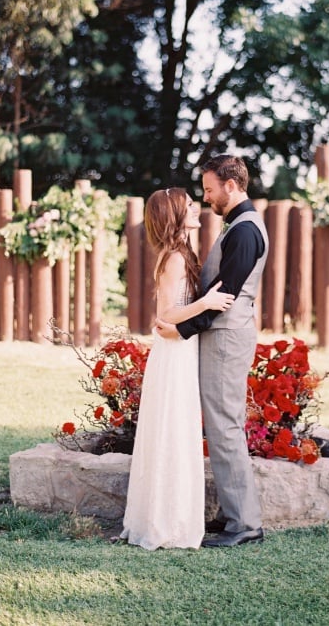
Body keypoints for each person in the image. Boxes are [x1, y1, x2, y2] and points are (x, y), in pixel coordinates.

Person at [156, 155, 269, 547]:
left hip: (225, 338)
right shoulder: (238, 225)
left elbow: (224, 296)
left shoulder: (244, 231)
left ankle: (245, 524)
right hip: (222, 336)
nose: (206, 199)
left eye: (209, 190)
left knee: (225, 428)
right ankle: (232, 512)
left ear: (232, 186)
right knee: (222, 425)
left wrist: (180, 329)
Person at [119, 187, 234, 550]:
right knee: (172, 431)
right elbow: (166, 315)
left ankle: (175, 518)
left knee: (178, 432)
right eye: (188, 204)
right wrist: (207, 302)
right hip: (173, 354)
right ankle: (166, 523)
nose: (195, 206)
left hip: (181, 349)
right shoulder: (172, 258)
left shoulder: (182, 252)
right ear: (174, 215)